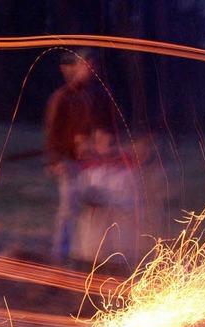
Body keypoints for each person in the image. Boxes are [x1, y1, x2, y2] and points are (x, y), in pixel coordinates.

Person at [44, 49, 115, 263]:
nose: (90, 70)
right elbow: (53, 132)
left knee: (99, 205)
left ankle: (91, 252)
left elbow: (104, 127)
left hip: (92, 164)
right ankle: (60, 256)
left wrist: (100, 141)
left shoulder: (98, 96)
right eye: (85, 65)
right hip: (69, 161)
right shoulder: (62, 97)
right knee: (69, 208)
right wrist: (56, 160)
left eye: (92, 66)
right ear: (76, 67)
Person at [71, 127, 137, 269]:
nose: (104, 146)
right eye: (99, 141)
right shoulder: (90, 170)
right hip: (89, 244)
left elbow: (130, 201)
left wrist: (106, 200)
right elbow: (78, 194)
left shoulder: (124, 172)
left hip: (116, 246)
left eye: (109, 142)